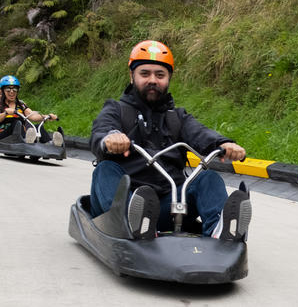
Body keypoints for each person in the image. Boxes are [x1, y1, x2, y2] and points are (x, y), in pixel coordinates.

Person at [89, 40, 251, 242]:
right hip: (123, 200)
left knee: (208, 179)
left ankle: (221, 230)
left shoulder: (177, 118)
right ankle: (132, 224)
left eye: (160, 75)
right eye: (145, 74)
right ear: (132, 76)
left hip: (167, 205)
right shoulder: (116, 110)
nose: (153, 80)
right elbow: (101, 130)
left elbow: (200, 133)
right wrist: (111, 137)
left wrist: (223, 144)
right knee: (105, 170)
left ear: (168, 79)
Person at [0, 75, 63, 146]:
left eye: (14, 89)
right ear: (3, 91)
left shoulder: (21, 104)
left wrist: (47, 116)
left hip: (20, 135)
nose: (12, 92)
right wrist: (5, 113)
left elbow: (33, 116)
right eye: (8, 89)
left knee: (37, 127)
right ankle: (26, 140)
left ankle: (51, 143)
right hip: (2, 136)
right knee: (17, 123)